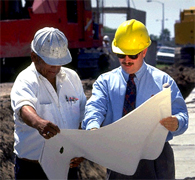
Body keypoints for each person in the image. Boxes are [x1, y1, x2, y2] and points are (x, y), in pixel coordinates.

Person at [82, 19, 188, 179]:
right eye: (121, 54)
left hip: (156, 159)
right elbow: (95, 108)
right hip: (118, 156)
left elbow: (182, 115)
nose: (126, 60)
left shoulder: (163, 82)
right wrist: (93, 128)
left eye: (132, 55)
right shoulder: (105, 82)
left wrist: (176, 122)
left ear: (144, 51)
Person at [11, 27, 86, 179]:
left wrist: (80, 148)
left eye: (59, 63)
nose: (56, 68)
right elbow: (23, 107)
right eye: (51, 63)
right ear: (34, 57)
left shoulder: (72, 78)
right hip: (33, 170)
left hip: (67, 167)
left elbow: (82, 116)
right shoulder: (25, 79)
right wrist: (39, 123)